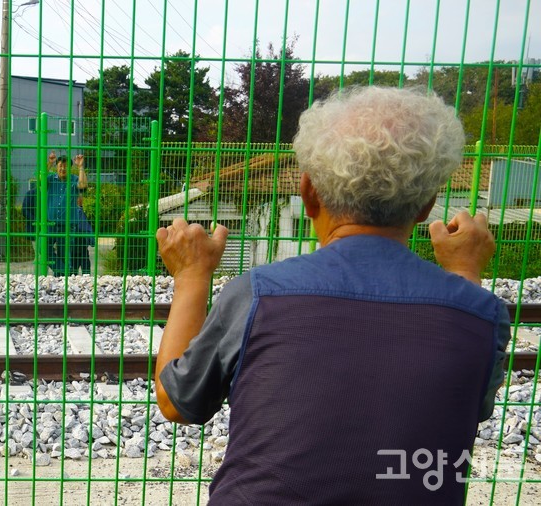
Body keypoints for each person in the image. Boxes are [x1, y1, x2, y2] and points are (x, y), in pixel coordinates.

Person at [154, 87, 510, 504]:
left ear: (308, 193)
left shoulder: (257, 295)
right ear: (425, 205)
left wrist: (192, 277)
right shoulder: (482, 314)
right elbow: (462, 402)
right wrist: (465, 272)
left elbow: (176, 402)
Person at [46, 152, 94, 275]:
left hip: (67, 225)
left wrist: (81, 167)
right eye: (60, 165)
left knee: (64, 254)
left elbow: (83, 185)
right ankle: (64, 272)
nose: (62, 168)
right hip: (50, 223)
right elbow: (40, 178)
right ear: (57, 167)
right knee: (44, 248)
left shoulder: (73, 179)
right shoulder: (51, 179)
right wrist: (50, 163)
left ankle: (60, 279)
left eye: (66, 166)